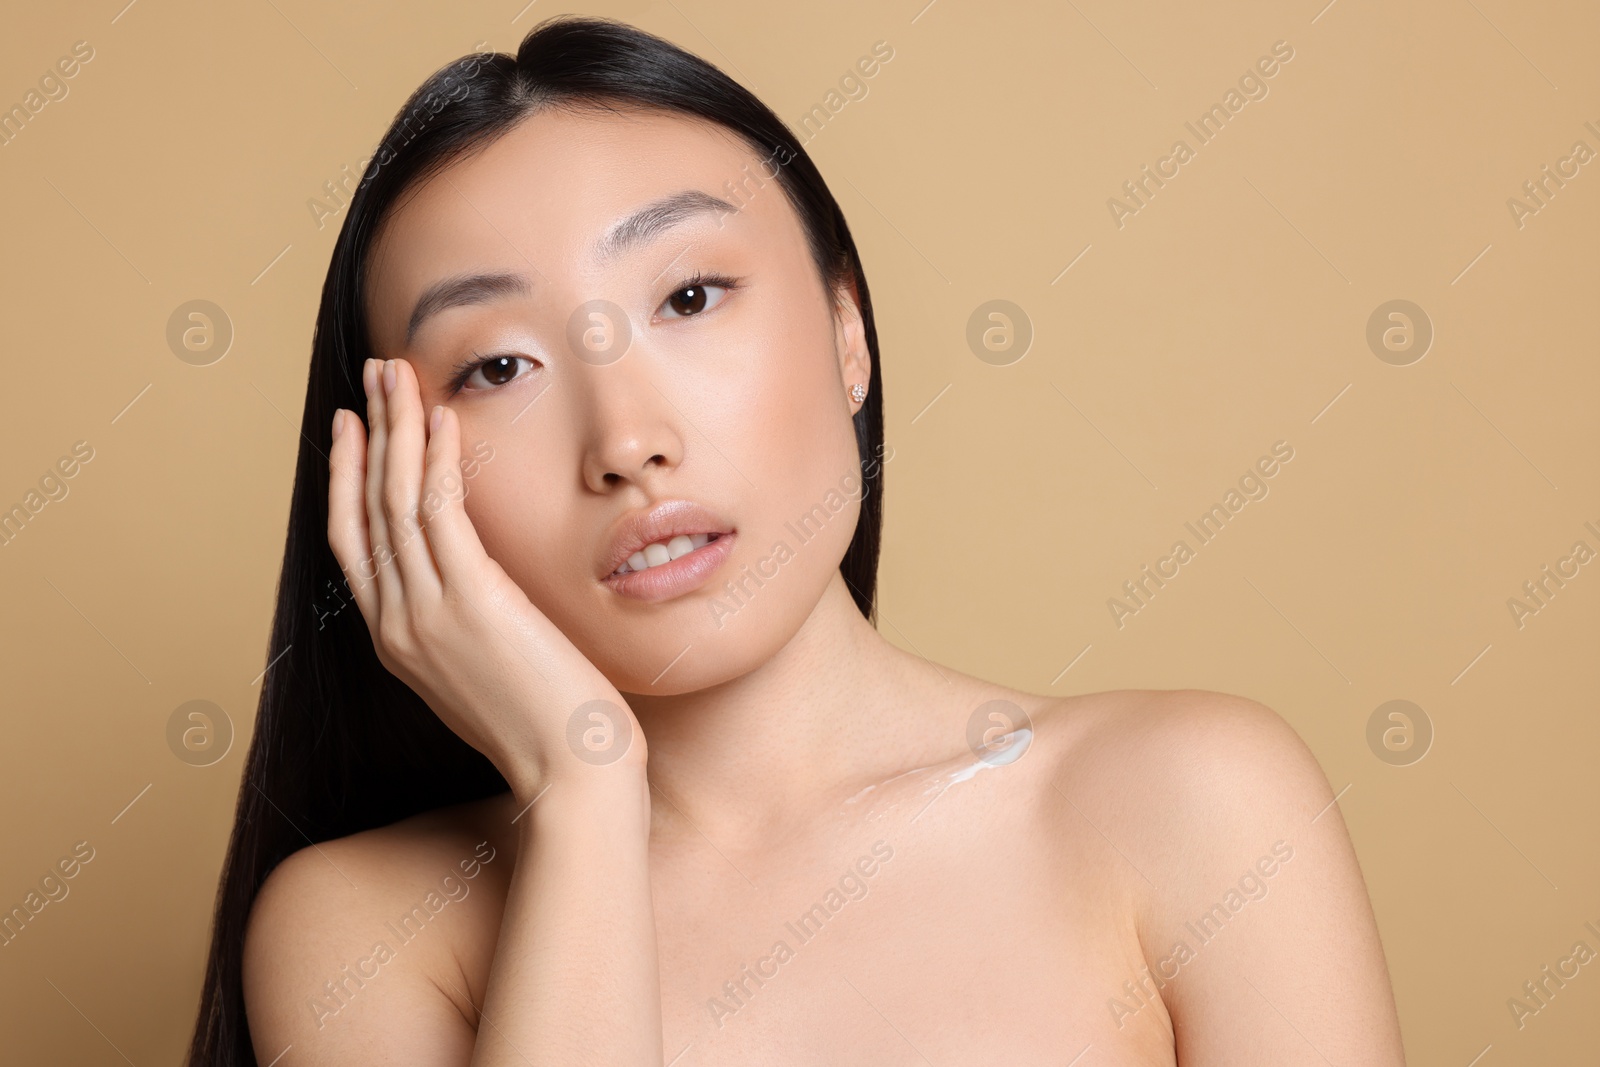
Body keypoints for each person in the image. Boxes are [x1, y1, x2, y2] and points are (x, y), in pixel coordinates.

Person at [185, 15, 1406, 1065]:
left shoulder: (1188, 803)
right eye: (499, 364)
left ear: (847, 333)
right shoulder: (368, 929)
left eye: (688, 297)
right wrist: (583, 787)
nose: (625, 440)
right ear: (398, 471)